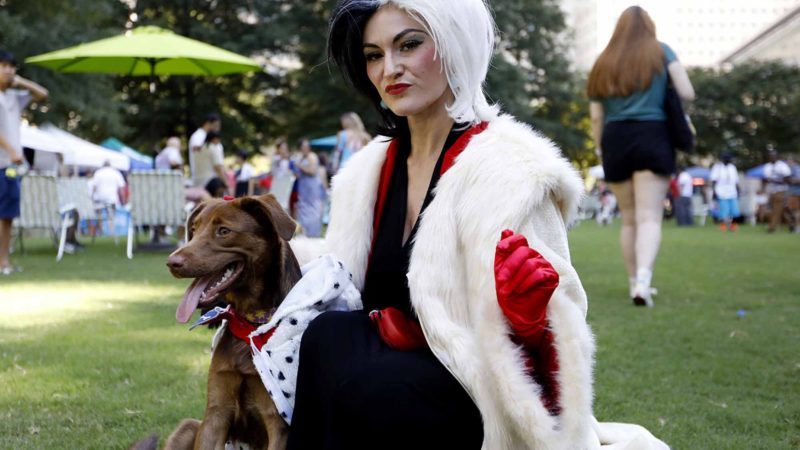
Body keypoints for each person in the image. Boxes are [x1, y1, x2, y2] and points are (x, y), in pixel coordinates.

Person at [285, 1, 669, 449]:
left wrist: (527, 315)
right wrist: (259, 250)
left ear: (455, 44)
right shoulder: (365, 173)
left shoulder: (512, 172)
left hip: (474, 394)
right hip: (380, 378)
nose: (389, 68)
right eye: (373, 55)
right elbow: (337, 275)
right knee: (328, 335)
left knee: (371, 380)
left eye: (409, 45)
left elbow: (560, 329)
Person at [587, 6, 695, 307]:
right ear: (650, 26)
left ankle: (634, 282)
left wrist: (600, 148)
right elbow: (687, 92)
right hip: (653, 135)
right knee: (650, 217)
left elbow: (596, 117)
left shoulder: (603, 61)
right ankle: (644, 282)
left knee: (630, 220)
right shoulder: (661, 51)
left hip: (615, 140)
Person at [0, 50, 48, 275]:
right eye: (3, 65)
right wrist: (11, 149)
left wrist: (20, 81)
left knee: (7, 216)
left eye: (11, 66)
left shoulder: (13, 96)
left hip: (9, 168)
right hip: (5, 162)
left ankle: (4, 261)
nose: (8, 70)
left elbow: (43, 95)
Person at [292, 138, 324, 237]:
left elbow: (312, 171)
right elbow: (297, 175)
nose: (306, 148)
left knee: (314, 211)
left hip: (312, 189)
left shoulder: (312, 156)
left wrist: (299, 166)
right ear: (300, 148)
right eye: (304, 146)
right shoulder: (300, 158)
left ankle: (313, 234)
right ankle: (304, 233)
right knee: (303, 210)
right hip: (303, 189)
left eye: (307, 146)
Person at [88, 160, 126, 237]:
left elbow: (94, 187)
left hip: (99, 198)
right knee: (111, 216)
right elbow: (122, 188)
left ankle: (101, 231)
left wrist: (91, 198)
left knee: (99, 216)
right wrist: (123, 200)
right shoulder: (116, 173)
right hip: (112, 198)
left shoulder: (98, 173)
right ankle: (111, 232)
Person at [763, 149, 794, 233]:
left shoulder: (782, 166)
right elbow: (766, 179)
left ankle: (771, 228)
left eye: (773, 155)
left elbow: (787, 179)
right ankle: (791, 224)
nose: (772, 157)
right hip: (771, 191)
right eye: (770, 156)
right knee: (777, 209)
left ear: (777, 156)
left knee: (777, 209)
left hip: (781, 190)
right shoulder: (767, 166)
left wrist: (774, 181)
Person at [192, 131, 229, 197]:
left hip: (197, 182)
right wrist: (225, 182)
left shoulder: (199, 149)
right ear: (215, 139)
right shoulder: (213, 148)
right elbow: (218, 168)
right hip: (210, 183)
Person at [710, 152, 740, 232]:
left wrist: (738, 191)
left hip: (732, 192)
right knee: (724, 212)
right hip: (721, 193)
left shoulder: (732, 167)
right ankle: (724, 227)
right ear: (722, 159)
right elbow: (713, 181)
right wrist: (714, 192)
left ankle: (732, 226)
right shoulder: (717, 167)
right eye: (726, 158)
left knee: (734, 212)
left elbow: (736, 181)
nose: (727, 159)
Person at [188, 112, 221, 183]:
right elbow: (196, 148)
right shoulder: (198, 135)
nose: (216, 129)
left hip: (212, 179)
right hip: (203, 180)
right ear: (208, 123)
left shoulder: (209, 136)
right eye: (215, 126)